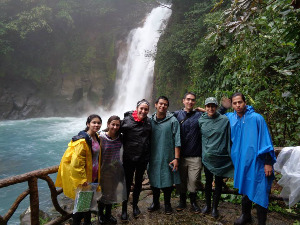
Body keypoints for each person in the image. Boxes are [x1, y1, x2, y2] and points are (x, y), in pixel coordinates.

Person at [173, 92, 230, 213]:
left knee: (194, 181)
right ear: (183, 100)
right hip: (181, 155)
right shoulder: (177, 115)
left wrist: (223, 108)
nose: (190, 102)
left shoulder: (200, 115)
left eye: (192, 100)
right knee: (182, 181)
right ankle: (182, 201)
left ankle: (194, 202)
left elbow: (215, 115)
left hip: (196, 155)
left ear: (195, 102)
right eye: (188, 99)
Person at [225, 93, 276, 225]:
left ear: (245, 102)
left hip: (257, 163)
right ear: (232, 105)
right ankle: (246, 215)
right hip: (241, 163)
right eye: (235, 103)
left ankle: (261, 222)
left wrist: (268, 162)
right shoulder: (231, 118)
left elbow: (266, 140)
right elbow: (214, 116)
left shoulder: (257, 118)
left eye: (240, 102)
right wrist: (206, 109)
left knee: (260, 191)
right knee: (245, 188)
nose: (238, 105)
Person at [55, 114, 102, 225]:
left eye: (98, 123)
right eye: (94, 122)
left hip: (94, 175)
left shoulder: (97, 137)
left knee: (88, 203)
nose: (96, 125)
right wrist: (82, 180)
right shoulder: (82, 141)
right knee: (81, 206)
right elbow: (76, 164)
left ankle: (87, 222)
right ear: (88, 124)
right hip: (85, 179)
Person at [198, 97, 234, 218]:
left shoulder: (224, 120)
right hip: (207, 157)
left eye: (213, 106)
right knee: (208, 182)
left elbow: (230, 136)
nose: (210, 108)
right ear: (205, 107)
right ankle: (207, 205)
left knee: (218, 183)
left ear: (217, 107)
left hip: (220, 158)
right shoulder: (201, 120)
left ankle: (214, 208)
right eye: (208, 106)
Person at [147, 96, 181, 215]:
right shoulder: (150, 120)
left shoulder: (173, 121)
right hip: (153, 155)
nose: (162, 106)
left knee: (167, 181)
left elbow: (177, 140)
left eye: (165, 104)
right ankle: (155, 203)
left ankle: (167, 204)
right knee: (154, 179)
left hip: (168, 155)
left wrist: (176, 158)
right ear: (155, 105)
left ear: (167, 107)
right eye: (160, 104)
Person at [120, 99, 152, 221]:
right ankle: (124, 209)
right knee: (127, 184)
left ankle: (135, 206)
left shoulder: (148, 122)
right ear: (137, 108)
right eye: (141, 109)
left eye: (146, 109)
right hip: (128, 158)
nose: (143, 111)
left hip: (142, 159)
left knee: (138, 183)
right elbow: (113, 131)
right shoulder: (126, 121)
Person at [98, 115, 127, 224]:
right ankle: (100, 214)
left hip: (115, 170)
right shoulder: (100, 137)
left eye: (117, 125)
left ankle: (108, 214)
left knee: (112, 193)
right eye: (113, 124)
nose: (115, 127)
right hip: (103, 169)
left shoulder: (120, 137)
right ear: (108, 125)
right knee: (103, 193)